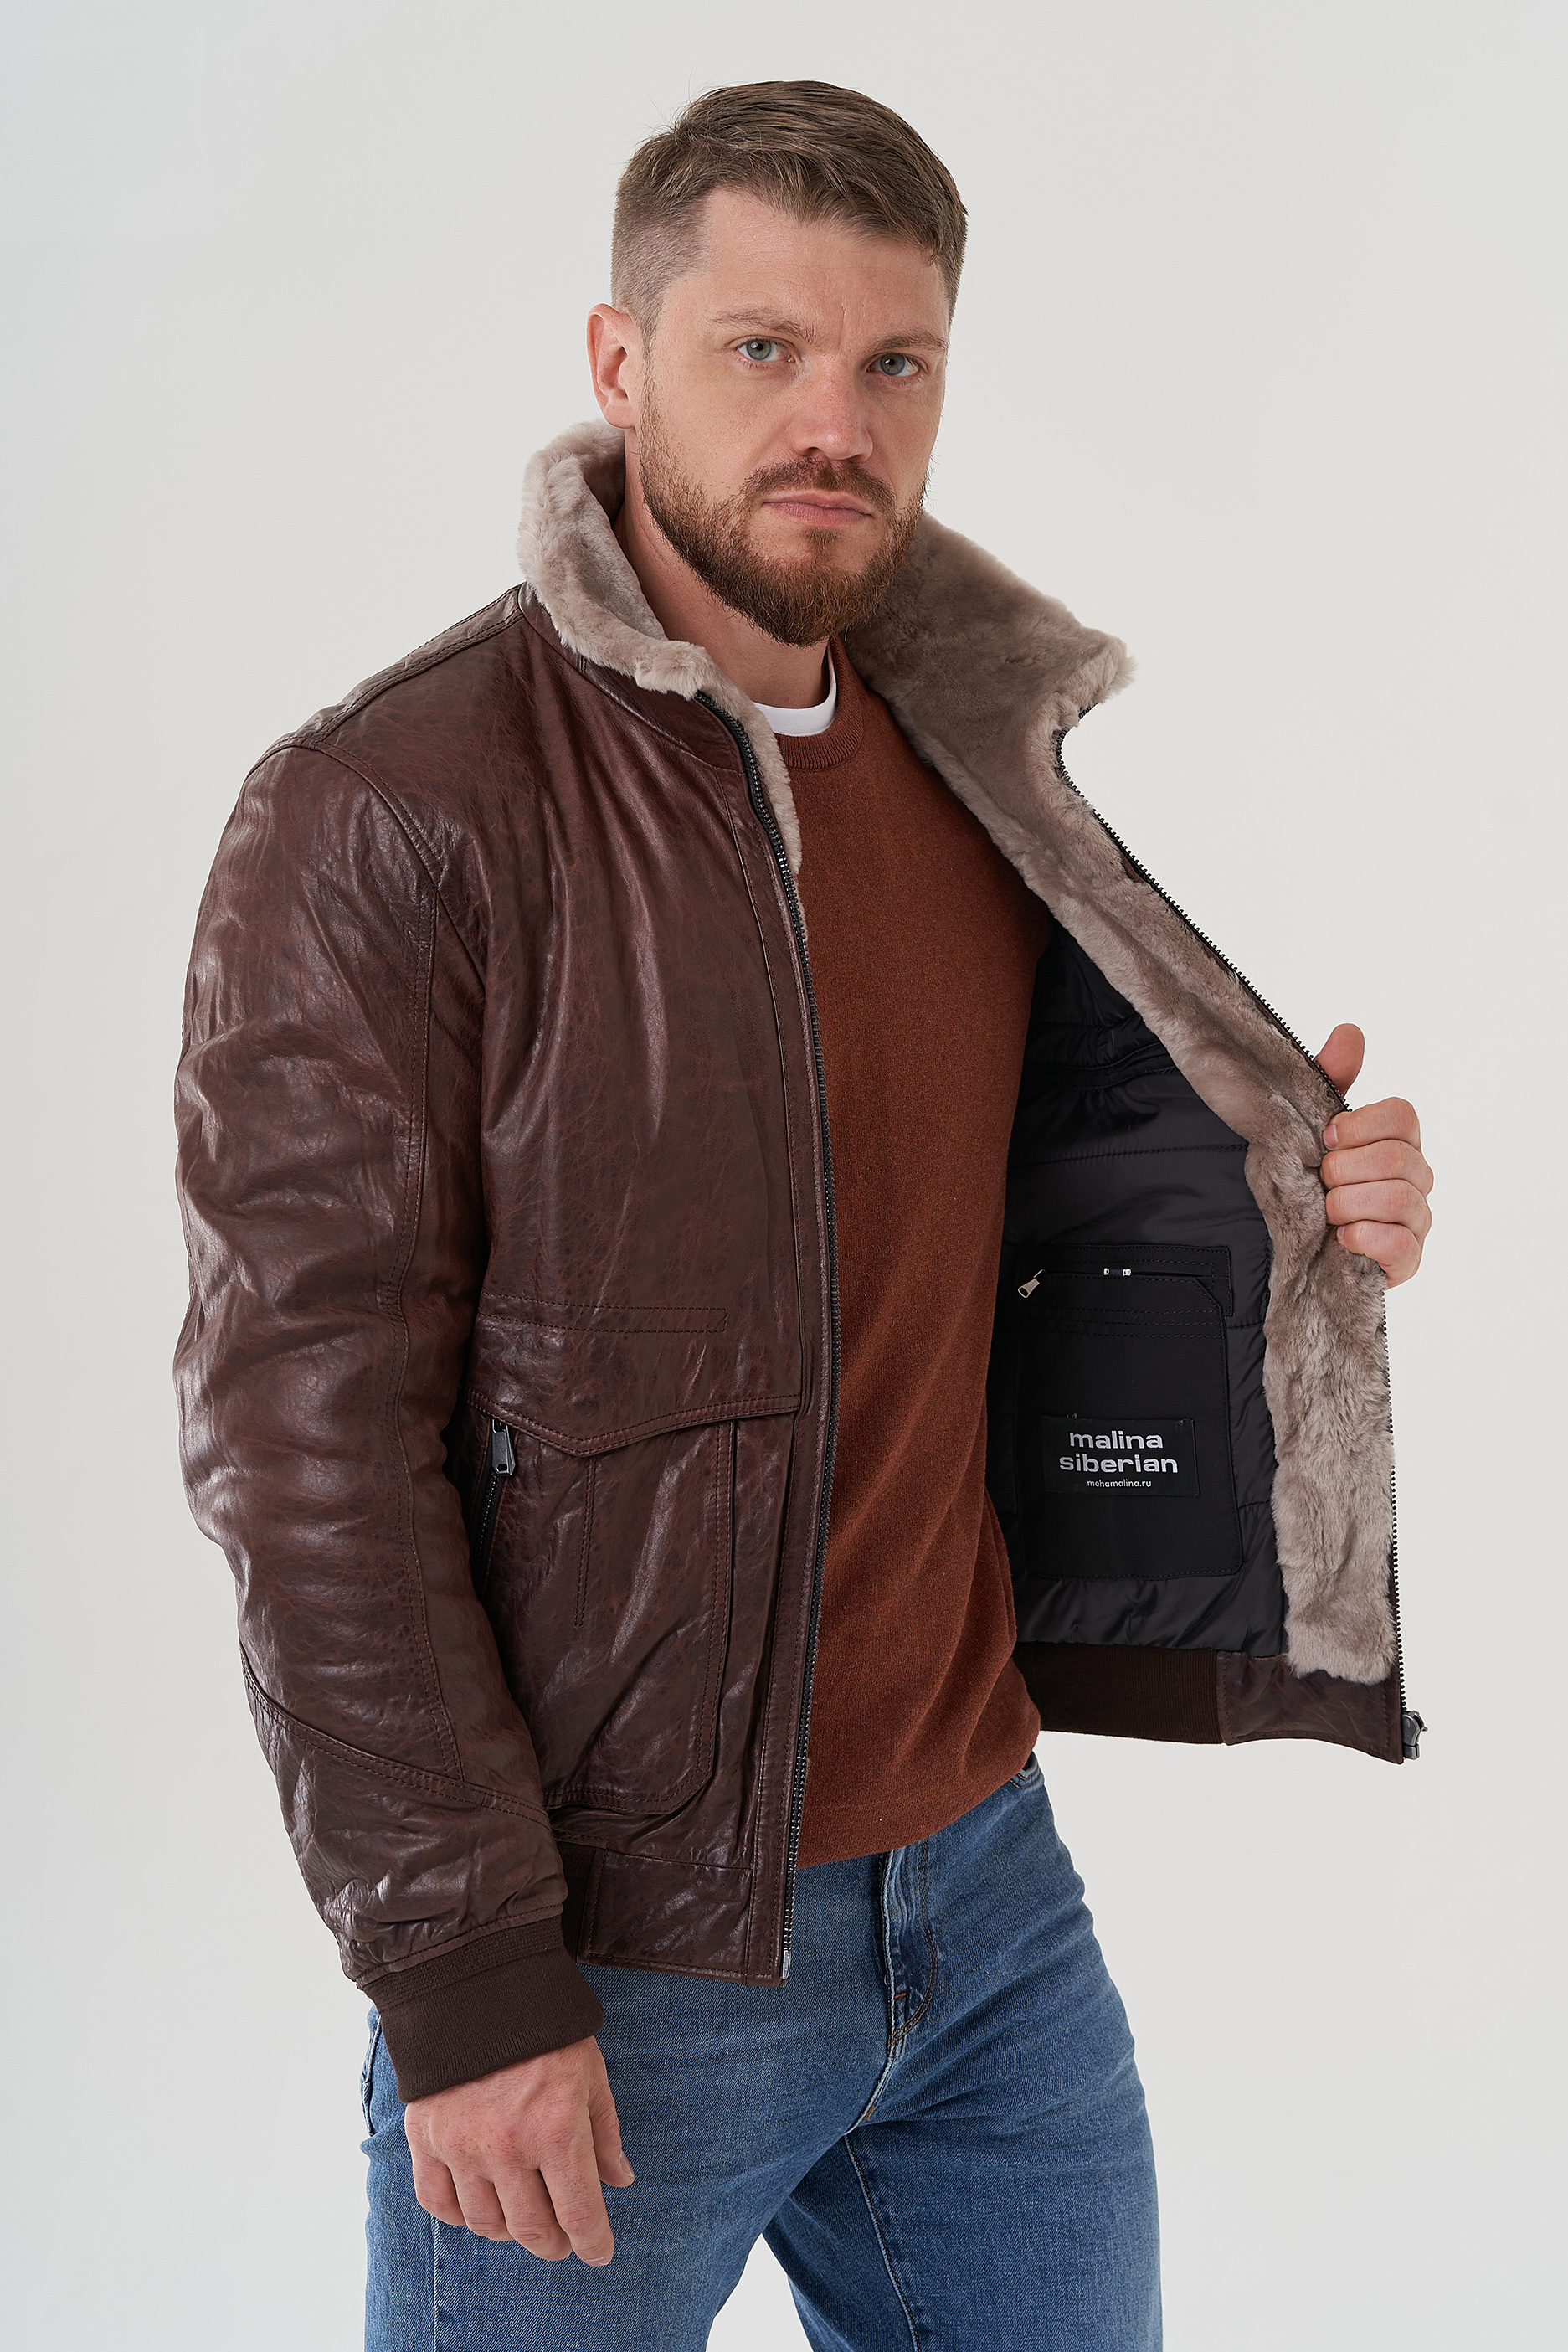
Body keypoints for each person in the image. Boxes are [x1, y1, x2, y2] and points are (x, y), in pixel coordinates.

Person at [174, 80, 1433, 2352]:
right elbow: (302, 1437)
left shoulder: (979, 773)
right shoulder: (395, 806)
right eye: (759, 348)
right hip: (612, 1948)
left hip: (986, 1901)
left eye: (891, 362)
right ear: (617, 358)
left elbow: (1015, 1239)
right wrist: (462, 1975)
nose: (831, 422)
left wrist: (1301, 1206)